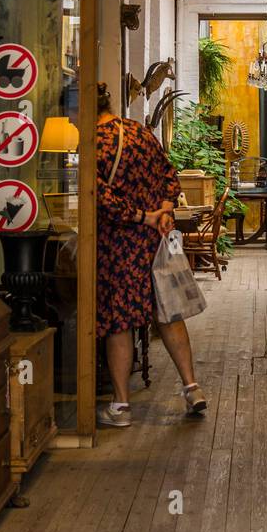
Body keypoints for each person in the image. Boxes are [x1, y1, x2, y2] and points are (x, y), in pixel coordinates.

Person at [96, 82, 206, 427]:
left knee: (120, 321)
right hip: (158, 240)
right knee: (169, 311)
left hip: (119, 244)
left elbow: (102, 199)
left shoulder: (93, 143)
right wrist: (163, 214)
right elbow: (169, 178)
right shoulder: (140, 133)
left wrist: (144, 217)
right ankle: (192, 387)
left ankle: (122, 406)